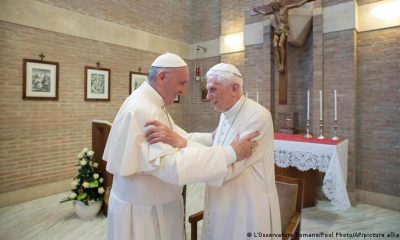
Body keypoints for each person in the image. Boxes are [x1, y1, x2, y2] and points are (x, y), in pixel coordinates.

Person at [102, 53, 259, 240]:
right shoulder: (144, 109)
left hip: (153, 204)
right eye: (181, 83)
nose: (183, 90)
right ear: (162, 77)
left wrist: (210, 138)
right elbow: (171, 166)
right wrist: (231, 153)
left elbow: (177, 137)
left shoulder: (151, 103)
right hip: (145, 212)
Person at [146, 63, 282, 240]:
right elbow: (214, 141)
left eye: (213, 90)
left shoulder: (257, 117)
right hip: (221, 201)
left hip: (245, 205)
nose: (208, 97)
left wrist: (181, 142)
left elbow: (228, 169)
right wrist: (176, 136)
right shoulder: (226, 112)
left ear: (234, 88)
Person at [253, 0, 310, 72]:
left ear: (278, 5)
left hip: (284, 29)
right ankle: (279, 64)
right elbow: (265, 13)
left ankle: (282, 64)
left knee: (280, 45)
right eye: (273, 6)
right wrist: (257, 11)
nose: (273, 7)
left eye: (274, 6)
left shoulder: (285, 8)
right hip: (277, 31)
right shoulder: (274, 12)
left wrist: (306, 1)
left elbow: (298, 4)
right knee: (275, 46)